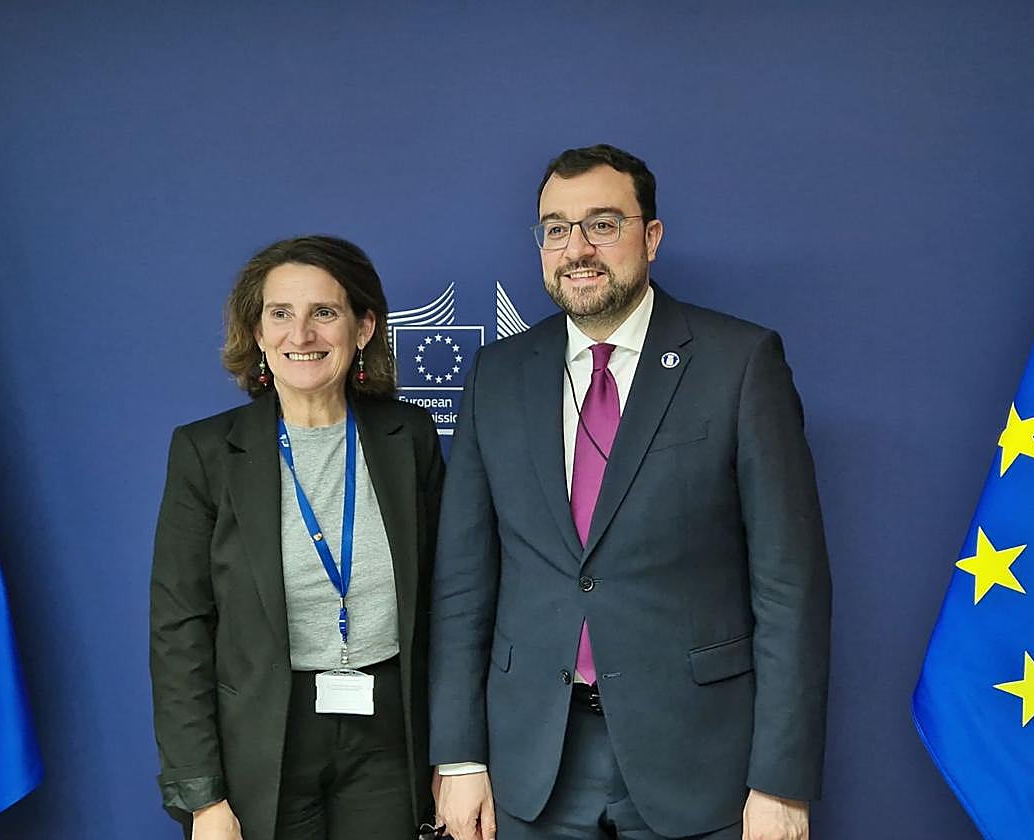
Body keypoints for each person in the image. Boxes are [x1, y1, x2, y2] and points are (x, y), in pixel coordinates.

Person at [429, 145, 831, 840]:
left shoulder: (739, 362)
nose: (577, 247)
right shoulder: (496, 375)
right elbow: (464, 584)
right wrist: (459, 756)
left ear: (651, 236)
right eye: (556, 228)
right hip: (532, 762)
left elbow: (789, 586)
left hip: (701, 763)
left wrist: (782, 781)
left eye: (602, 224)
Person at [150, 235, 444, 839]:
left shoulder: (409, 437)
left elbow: (449, 602)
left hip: (389, 739)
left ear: (363, 329)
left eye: (324, 313)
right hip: (262, 744)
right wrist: (202, 799)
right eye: (280, 314)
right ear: (257, 333)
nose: (300, 334)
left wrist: (458, 754)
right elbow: (179, 629)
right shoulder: (207, 452)